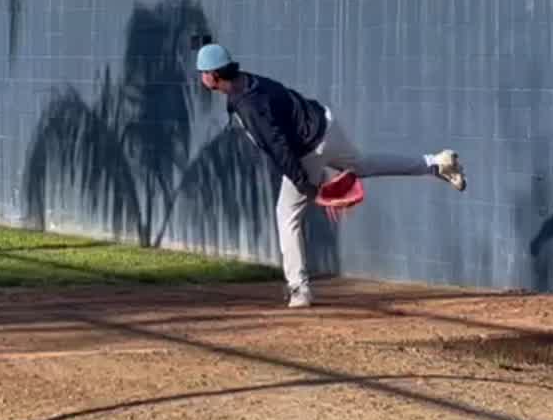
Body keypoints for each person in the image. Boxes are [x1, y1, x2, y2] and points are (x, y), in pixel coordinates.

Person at [194, 43, 467, 308]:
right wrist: (318, 175)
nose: (201, 77)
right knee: (363, 164)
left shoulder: (248, 105)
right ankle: (436, 163)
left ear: (213, 75)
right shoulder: (249, 81)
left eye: (202, 72)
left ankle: (299, 290)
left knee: (286, 215)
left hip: (307, 149)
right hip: (325, 124)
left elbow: (279, 147)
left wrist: (308, 185)